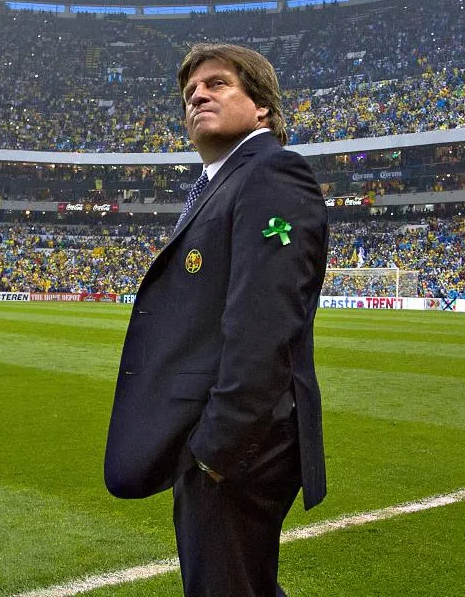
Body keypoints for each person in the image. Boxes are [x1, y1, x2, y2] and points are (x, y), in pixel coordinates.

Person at [104, 43, 329, 597]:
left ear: (262, 109)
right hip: (218, 438)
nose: (198, 95)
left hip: (239, 443)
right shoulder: (221, 184)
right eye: (189, 93)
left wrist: (217, 451)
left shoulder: (272, 173)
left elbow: (264, 321)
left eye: (218, 84)